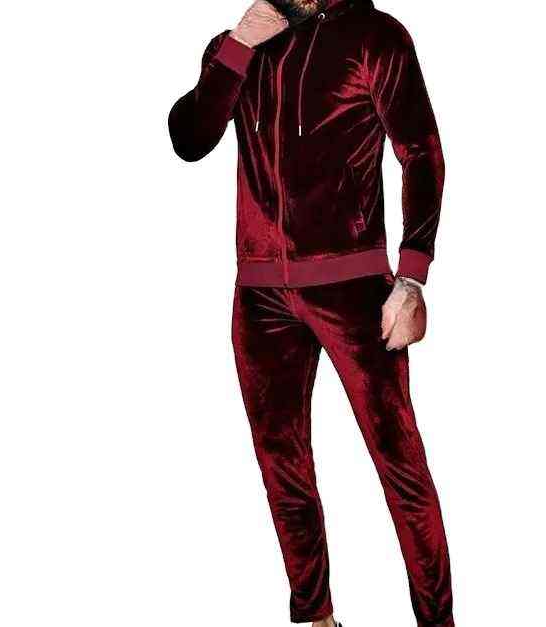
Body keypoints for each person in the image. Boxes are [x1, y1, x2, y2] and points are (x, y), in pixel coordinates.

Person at [168, 1, 453, 624]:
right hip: (259, 296)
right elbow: (188, 139)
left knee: (399, 465)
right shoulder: (238, 44)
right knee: (282, 465)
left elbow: (422, 152)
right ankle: (317, 615)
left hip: (355, 289)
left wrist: (411, 277)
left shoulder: (376, 37)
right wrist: (240, 45)